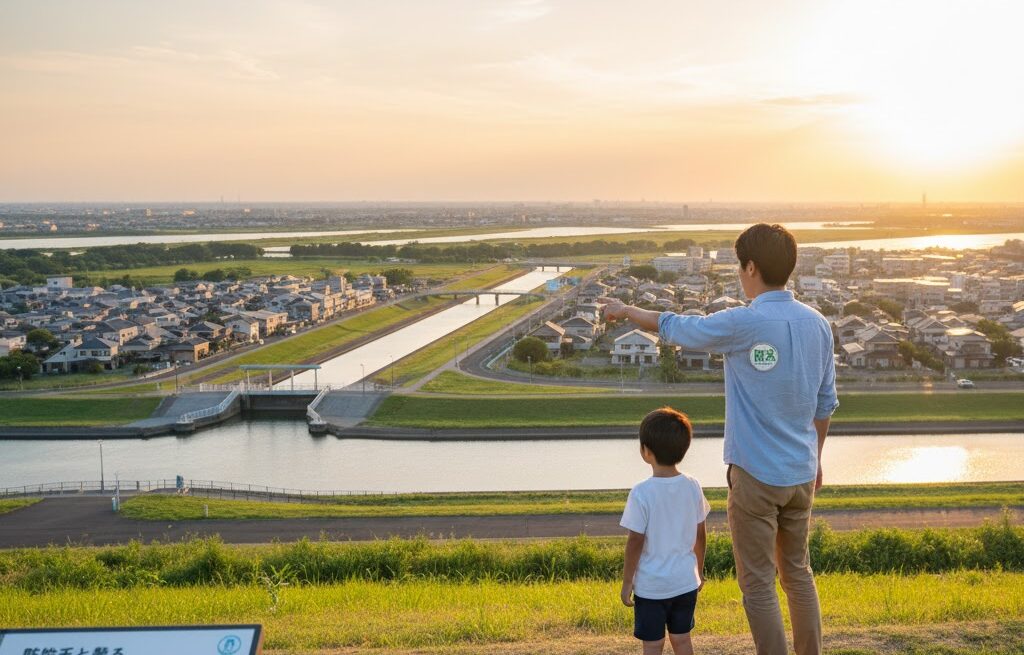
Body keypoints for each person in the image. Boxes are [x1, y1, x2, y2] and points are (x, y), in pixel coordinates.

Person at [601, 223, 838, 655]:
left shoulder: (744, 322)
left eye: (739, 268)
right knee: (798, 573)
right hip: (801, 473)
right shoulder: (817, 324)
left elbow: (678, 327)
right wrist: (816, 459)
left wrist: (627, 311)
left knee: (759, 582)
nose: (738, 275)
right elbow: (825, 404)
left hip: (755, 476)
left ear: (751, 267)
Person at [620, 406, 710, 655]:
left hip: (651, 587)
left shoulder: (641, 492)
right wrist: (698, 572)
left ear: (645, 452)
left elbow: (635, 541)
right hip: (684, 581)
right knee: (682, 640)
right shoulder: (693, 486)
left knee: (653, 645)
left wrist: (628, 582)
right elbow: (700, 535)